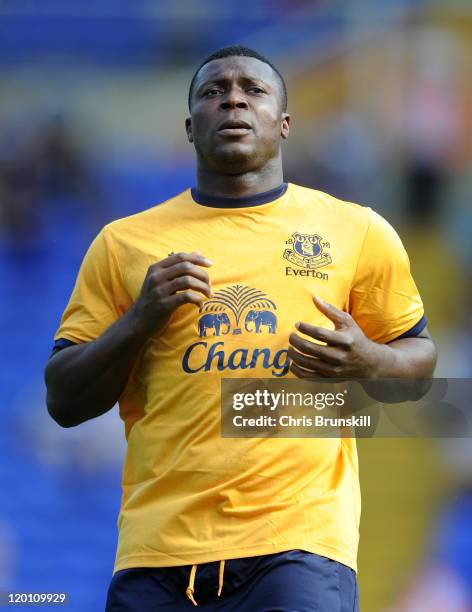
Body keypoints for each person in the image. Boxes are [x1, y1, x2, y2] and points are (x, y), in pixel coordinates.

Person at [45, 46, 437, 611]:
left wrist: (368, 360)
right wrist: (139, 322)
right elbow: (64, 399)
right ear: (189, 127)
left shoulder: (356, 231)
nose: (232, 98)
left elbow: (419, 366)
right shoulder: (123, 245)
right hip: (158, 556)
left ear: (283, 124)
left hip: (298, 548)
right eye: (213, 91)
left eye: (252, 90)